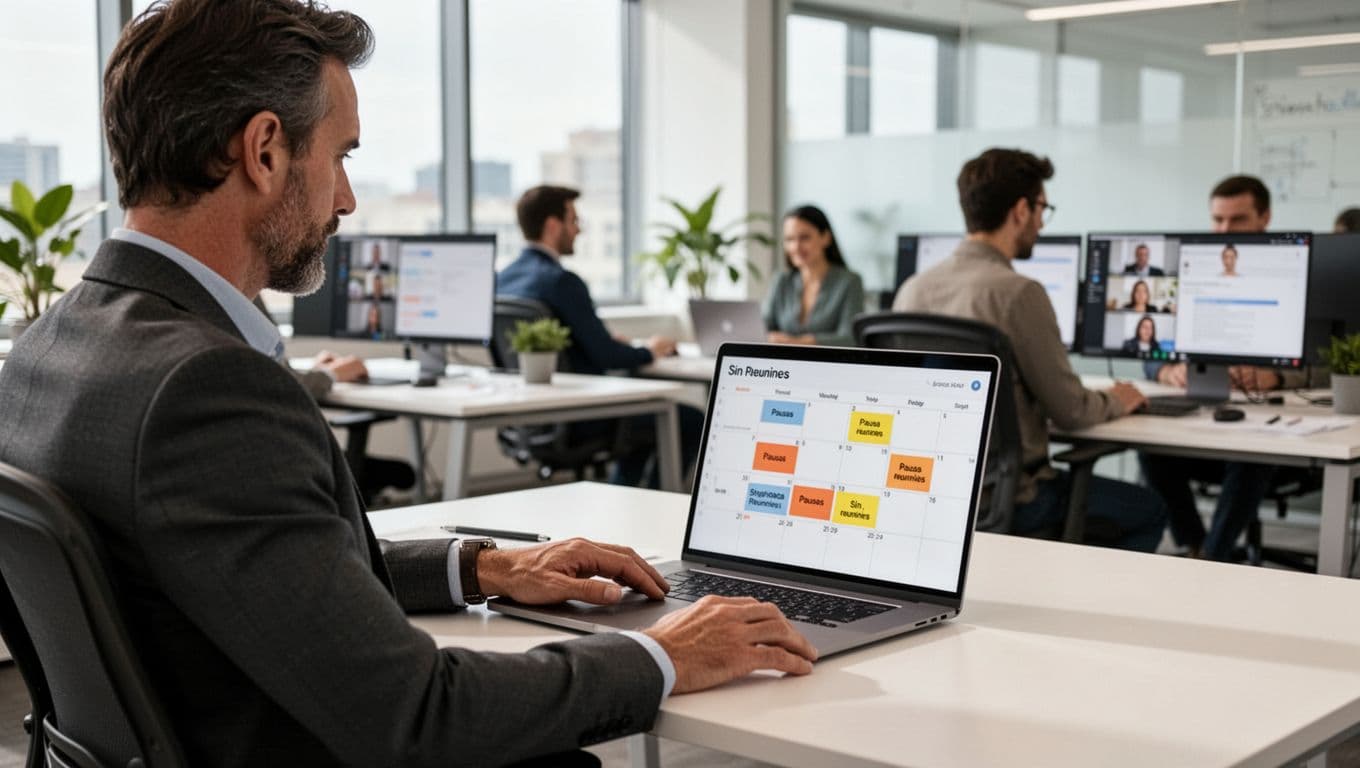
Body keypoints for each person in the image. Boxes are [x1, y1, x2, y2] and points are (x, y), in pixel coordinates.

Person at [0, 3, 817, 766]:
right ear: (263, 150)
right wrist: (660, 653)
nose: (347, 198)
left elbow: (276, 577)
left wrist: (484, 566)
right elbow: (416, 717)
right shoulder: (206, 386)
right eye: (342, 156)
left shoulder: (47, 350)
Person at [892, 148, 1165, 553]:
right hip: (1017, 501)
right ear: (1020, 210)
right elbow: (1071, 411)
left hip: (933, 501)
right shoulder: (1018, 294)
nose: (1041, 221)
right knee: (1150, 509)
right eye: (1041, 208)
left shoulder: (912, 290)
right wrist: (1117, 399)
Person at [496, 185, 705, 487]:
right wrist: (650, 349)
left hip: (531, 415)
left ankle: (626, 500)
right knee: (689, 420)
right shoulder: (560, 281)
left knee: (642, 423)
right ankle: (652, 503)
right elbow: (605, 355)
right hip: (581, 415)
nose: (578, 230)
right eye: (574, 221)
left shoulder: (503, 280)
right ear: (553, 226)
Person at [1141, 174, 1295, 561]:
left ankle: (1214, 556)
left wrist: (1277, 376)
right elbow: (1149, 348)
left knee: (1254, 452)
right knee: (1150, 447)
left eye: (1237, 220)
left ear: (1265, 218)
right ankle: (1194, 545)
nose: (1224, 230)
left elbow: (1331, 364)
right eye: (1218, 220)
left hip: (1273, 437)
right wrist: (1163, 371)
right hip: (1203, 426)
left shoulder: (1293, 271)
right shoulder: (1193, 273)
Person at [762, 205, 865, 346]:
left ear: (826, 238)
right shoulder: (781, 281)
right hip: (782, 364)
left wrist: (798, 342)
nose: (796, 247)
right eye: (790, 239)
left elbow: (849, 338)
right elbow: (762, 328)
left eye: (804, 238)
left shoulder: (850, 281)